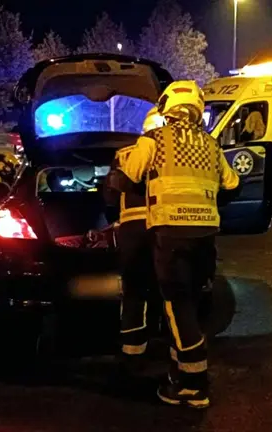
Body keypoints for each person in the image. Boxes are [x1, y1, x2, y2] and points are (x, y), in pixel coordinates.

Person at [119, 81, 240, 409]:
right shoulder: (211, 144)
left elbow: (131, 172)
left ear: (166, 105)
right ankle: (181, 370)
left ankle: (193, 383)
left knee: (176, 303)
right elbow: (232, 182)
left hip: (171, 233)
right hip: (205, 236)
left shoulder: (154, 139)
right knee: (192, 299)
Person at [105, 107, 162, 366]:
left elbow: (109, 195)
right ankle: (165, 338)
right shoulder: (173, 153)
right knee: (164, 284)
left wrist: (112, 217)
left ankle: (132, 349)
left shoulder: (124, 153)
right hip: (162, 225)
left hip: (131, 228)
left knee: (134, 288)